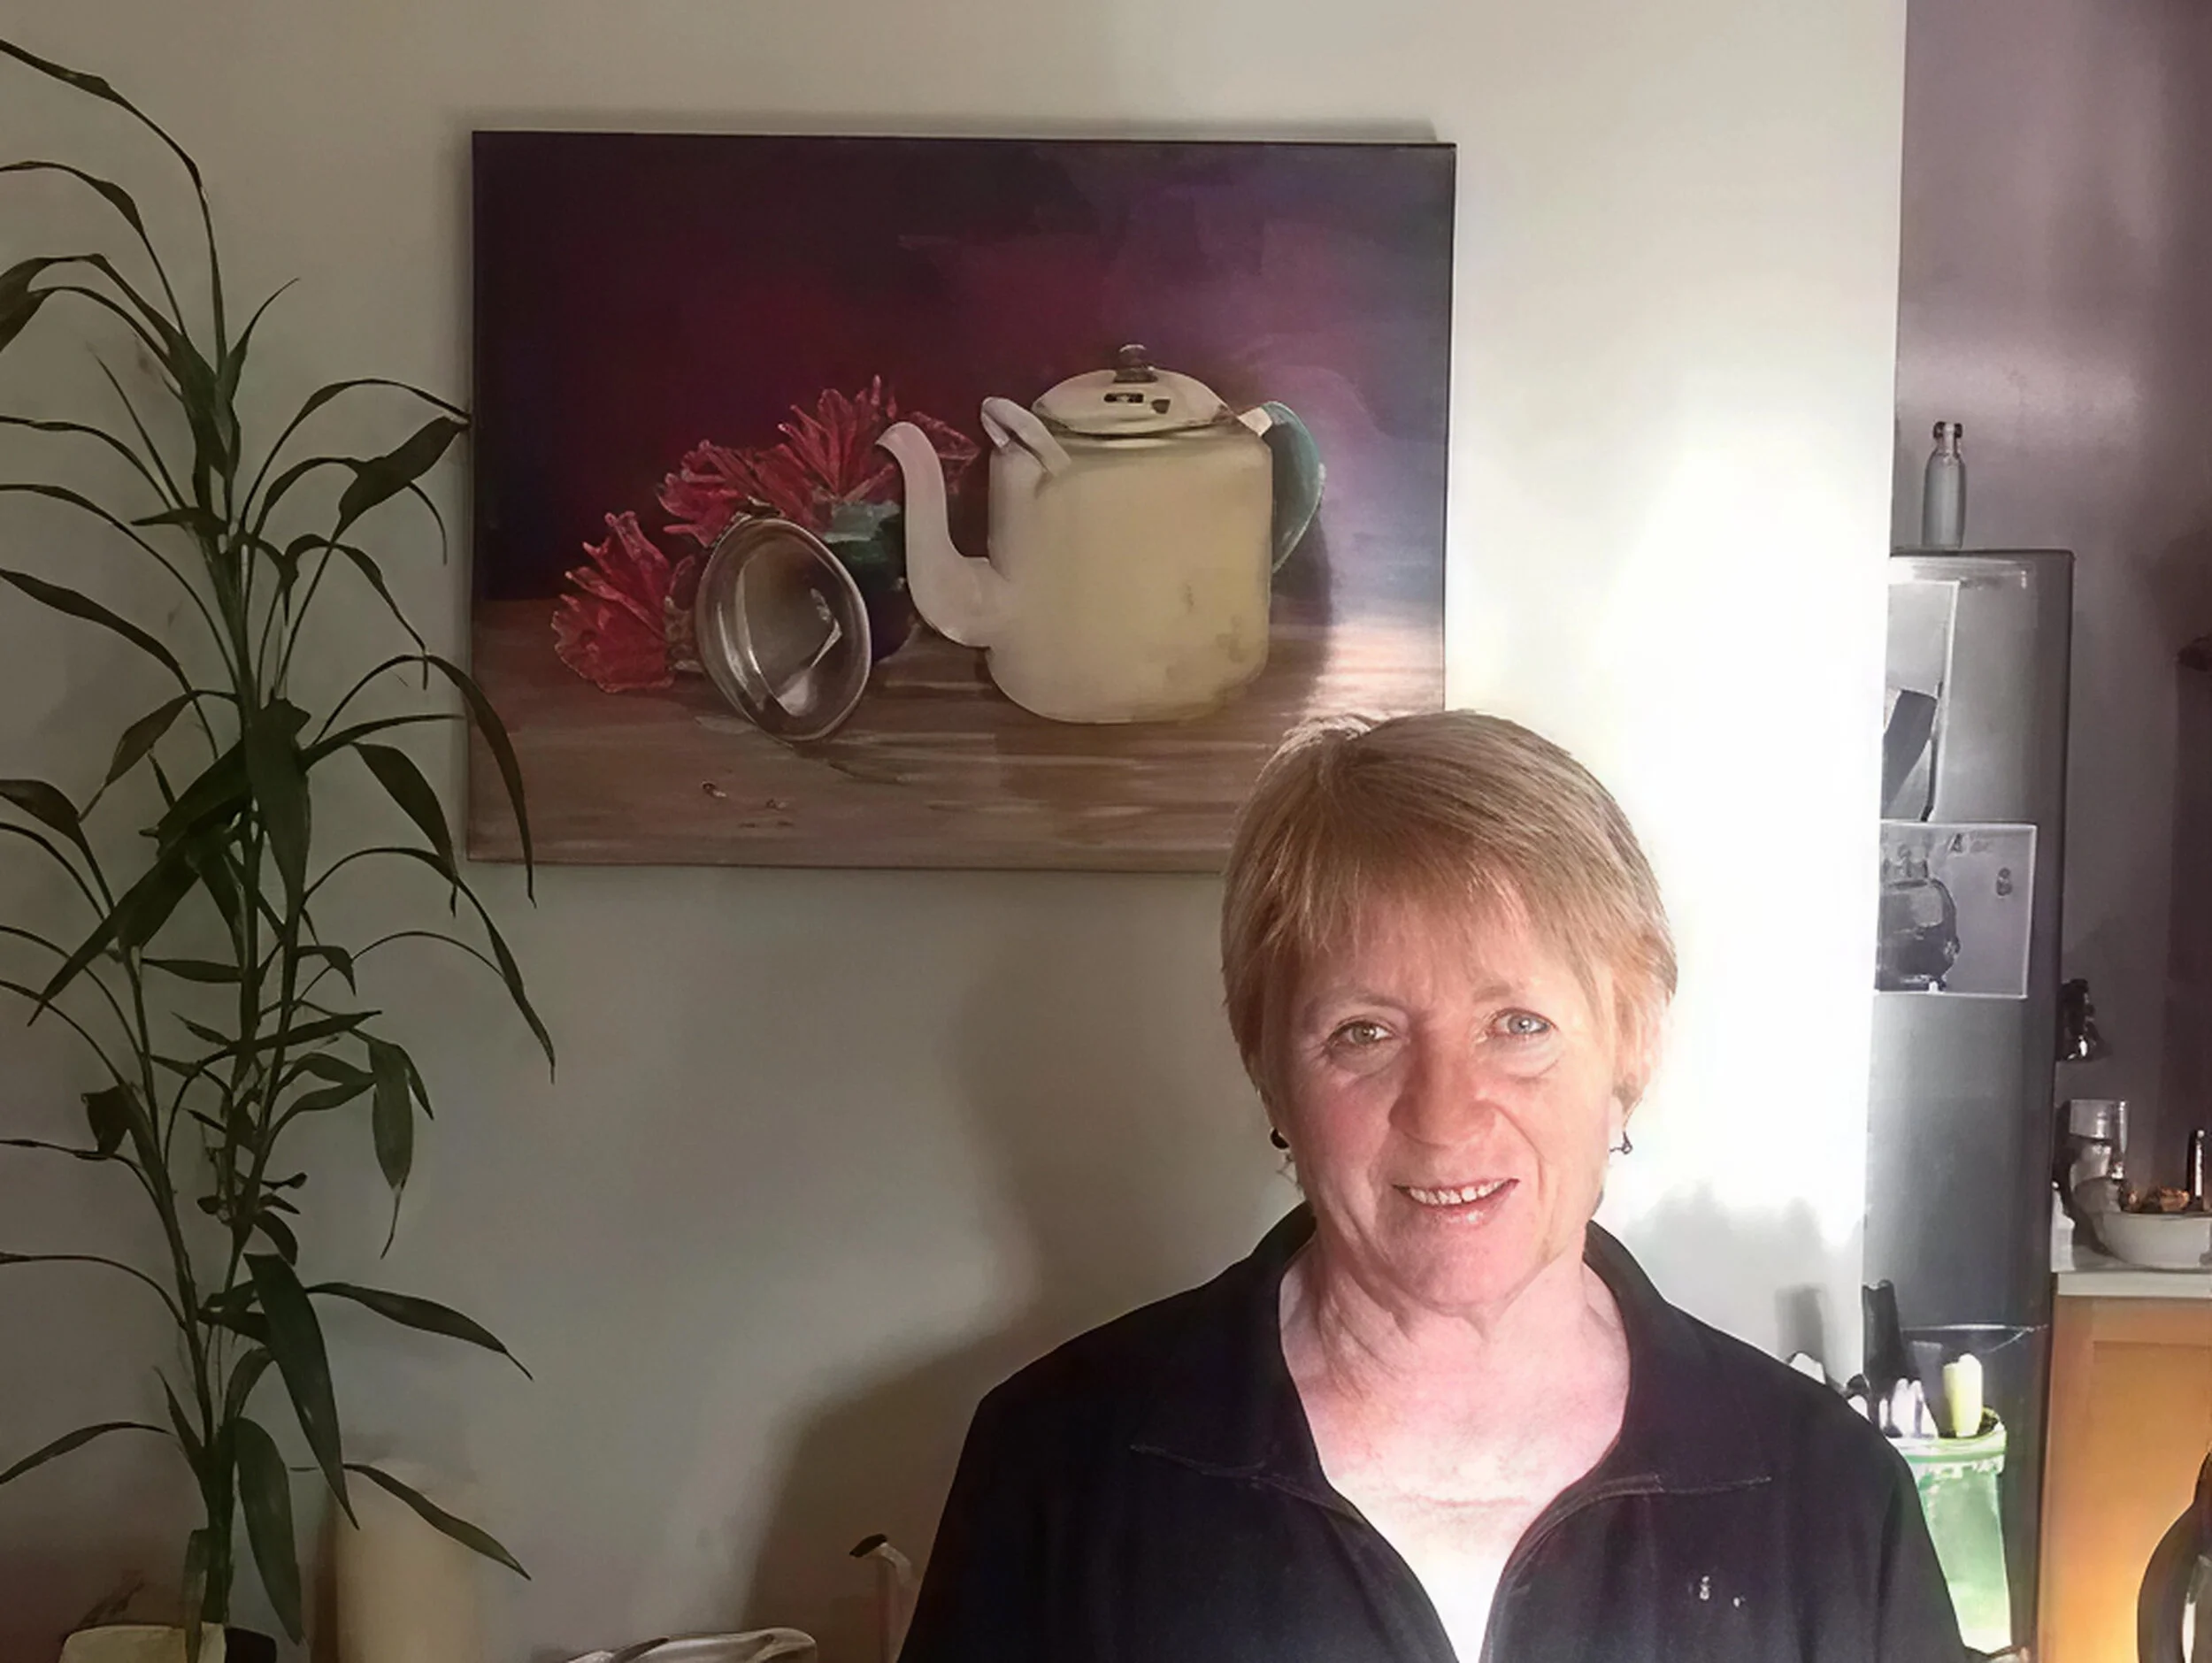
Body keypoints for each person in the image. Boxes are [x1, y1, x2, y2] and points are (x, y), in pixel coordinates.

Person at [898, 710, 1966, 1662]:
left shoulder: (1829, 1497)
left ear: (1627, 1053)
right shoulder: (1055, 1464)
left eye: (1519, 1025)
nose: (1445, 1112)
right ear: (1268, 1065)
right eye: (1363, 1032)